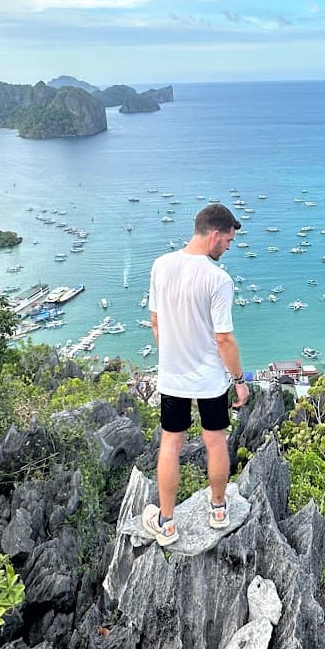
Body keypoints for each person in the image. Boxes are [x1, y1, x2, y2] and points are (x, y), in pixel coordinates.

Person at [140, 202, 251, 546]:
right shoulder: (218, 279)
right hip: (210, 380)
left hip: (173, 376)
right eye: (228, 241)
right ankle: (218, 510)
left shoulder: (161, 266)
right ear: (215, 234)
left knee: (170, 444)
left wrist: (172, 356)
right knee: (215, 441)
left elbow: (156, 323)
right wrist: (240, 381)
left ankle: (167, 522)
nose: (228, 248)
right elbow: (224, 339)